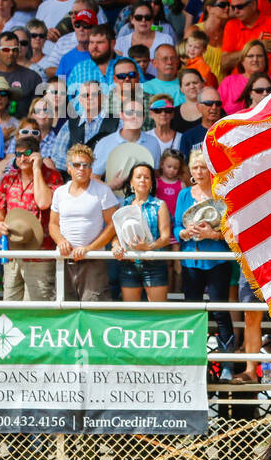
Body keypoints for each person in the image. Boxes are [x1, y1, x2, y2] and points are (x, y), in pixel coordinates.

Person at [0, 132, 64, 301]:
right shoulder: (8, 180)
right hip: (12, 253)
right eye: (18, 154)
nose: (23, 158)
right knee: (10, 305)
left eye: (27, 153)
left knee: (38, 308)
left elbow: (44, 202)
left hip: (41, 255)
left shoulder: (53, 176)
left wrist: (37, 168)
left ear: (37, 154)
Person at [177, 148, 235, 359]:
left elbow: (232, 230)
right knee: (192, 311)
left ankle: (228, 363)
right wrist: (185, 232)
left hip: (217, 261)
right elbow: (176, 227)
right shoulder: (184, 194)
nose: (199, 172)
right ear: (190, 171)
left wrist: (213, 234)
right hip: (190, 261)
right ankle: (193, 358)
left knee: (220, 311)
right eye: (195, 168)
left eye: (203, 167)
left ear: (210, 170)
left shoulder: (221, 195)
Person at [49, 143, 117, 302]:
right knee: (63, 307)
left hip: (93, 259)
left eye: (86, 165)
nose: (81, 168)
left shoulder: (102, 190)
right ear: (68, 168)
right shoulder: (59, 192)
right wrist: (61, 241)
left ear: (91, 169)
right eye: (77, 164)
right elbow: (52, 224)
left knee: (94, 307)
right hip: (64, 259)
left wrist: (89, 249)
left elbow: (112, 225)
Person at [112, 162, 173, 302]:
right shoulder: (123, 204)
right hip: (129, 264)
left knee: (157, 312)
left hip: (154, 263)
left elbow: (165, 238)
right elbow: (116, 235)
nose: (142, 180)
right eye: (138, 177)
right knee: (132, 312)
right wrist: (116, 246)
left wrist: (148, 247)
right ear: (131, 182)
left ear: (152, 182)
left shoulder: (159, 205)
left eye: (146, 177)